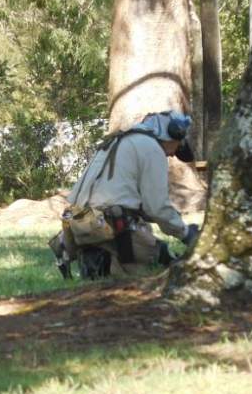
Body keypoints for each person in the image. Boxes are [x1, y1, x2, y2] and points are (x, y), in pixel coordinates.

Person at [64, 110, 200, 278]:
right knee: (163, 263)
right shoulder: (152, 148)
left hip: (81, 224)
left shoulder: (118, 140)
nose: (173, 154)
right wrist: (187, 234)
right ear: (173, 133)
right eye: (177, 146)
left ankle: (98, 264)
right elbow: (157, 208)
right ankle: (115, 265)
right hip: (112, 226)